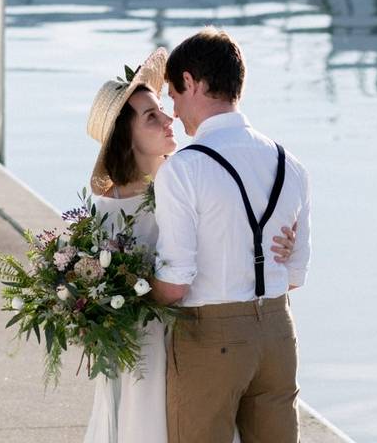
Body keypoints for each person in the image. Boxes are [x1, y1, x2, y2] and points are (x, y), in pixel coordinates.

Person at [82, 48, 299, 443]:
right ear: (124, 137)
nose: (169, 118)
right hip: (148, 355)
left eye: (164, 107)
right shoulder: (109, 213)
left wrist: (275, 245)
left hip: (203, 342)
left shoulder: (185, 175)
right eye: (151, 116)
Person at [151, 27, 311, 443]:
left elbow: (175, 281)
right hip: (278, 332)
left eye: (173, 93)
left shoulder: (184, 168)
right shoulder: (289, 163)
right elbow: (295, 275)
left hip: (211, 338)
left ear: (190, 82)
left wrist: (120, 298)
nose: (173, 108)